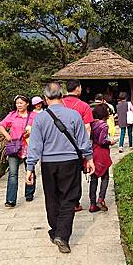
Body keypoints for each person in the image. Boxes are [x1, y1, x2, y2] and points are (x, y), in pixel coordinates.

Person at [25, 82, 94, 254]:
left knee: (52, 197)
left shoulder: (39, 118)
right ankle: (61, 235)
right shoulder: (74, 115)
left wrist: (30, 167)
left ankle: (55, 230)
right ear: (62, 96)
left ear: (46, 99)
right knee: (69, 198)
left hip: (48, 164)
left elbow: (34, 145)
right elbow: (83, 141)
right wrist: (89, 158)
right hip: (70, 162)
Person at [62, 79, 94, 212]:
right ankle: (75, 203)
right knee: (75, 176)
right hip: (76, 147)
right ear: (78, 89)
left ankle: (63, 201)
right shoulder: (84, 106)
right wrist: (86, 149)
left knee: (62, 175)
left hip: (58, 146)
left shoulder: (59, 104)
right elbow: (87, 128)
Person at [0, 95, 36, 207]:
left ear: (27, 104)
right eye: (17, 103)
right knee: (13, 173)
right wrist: (7, 136)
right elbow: (1, 125)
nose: (19, 105)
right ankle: (10, 200)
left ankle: (29, 193)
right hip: (14, 147)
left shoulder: (34, 116)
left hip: (29, 147)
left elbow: (40, 128)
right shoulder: (12, 115)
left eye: (21, 103)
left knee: (30, 170)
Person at [89, 105, 116, 213]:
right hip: (102, 153)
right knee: (105, 177)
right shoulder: (104, 126)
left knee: (93, 179)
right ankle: (101, 198)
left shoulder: (93, 124)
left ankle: (92, 204)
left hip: (93, 152)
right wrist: (111, 142)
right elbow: (102, 141)